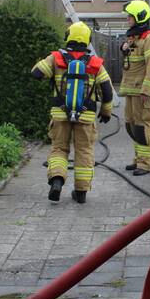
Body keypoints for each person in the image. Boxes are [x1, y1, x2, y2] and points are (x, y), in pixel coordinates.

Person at [31, 21, 114, 203]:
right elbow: (107, 91)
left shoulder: (56, 58)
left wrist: (52, 67)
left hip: (60, 115)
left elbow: (36, 73)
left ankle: (57, 180)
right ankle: (81, 193)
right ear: (87, 40)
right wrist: (106, 111)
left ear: (67, 36)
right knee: (84, 151)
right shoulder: (95, 63)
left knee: (59, 148)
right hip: (86, 116)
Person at [119, 0, 150, 176]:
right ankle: (138, 159)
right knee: (132, 126)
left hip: (143, 92)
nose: (128, 19)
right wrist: (124, 49)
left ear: (139, 17)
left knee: (143, 126)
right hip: (131, 90)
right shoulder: (134, 38)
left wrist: (146, 89)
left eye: (130, 16)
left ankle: (145, 164)